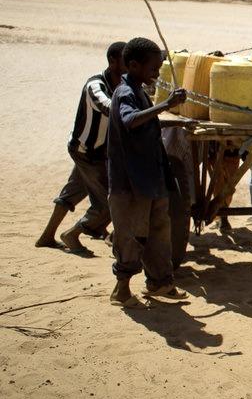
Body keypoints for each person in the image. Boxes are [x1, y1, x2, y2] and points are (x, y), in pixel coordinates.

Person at [107, 37, 188, 308]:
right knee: (133, 235)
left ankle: (160, 283)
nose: (157, 72)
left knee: (159, 232)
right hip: (131, 182)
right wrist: (165, 105)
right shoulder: (125, 93)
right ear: (132, 65)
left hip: (150, 179)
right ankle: (121, 290)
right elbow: (130, 120)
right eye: (153, 68)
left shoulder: (139, 89)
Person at [36, 41, 126, 254]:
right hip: (87, 151)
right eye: (125, 60)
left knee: (72, 192)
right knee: (107, 206)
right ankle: (72, 234)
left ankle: (47, 236)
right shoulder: (95, 85)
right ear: (112, 61)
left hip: (96, 151)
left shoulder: (122, 84)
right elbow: (107, 106)